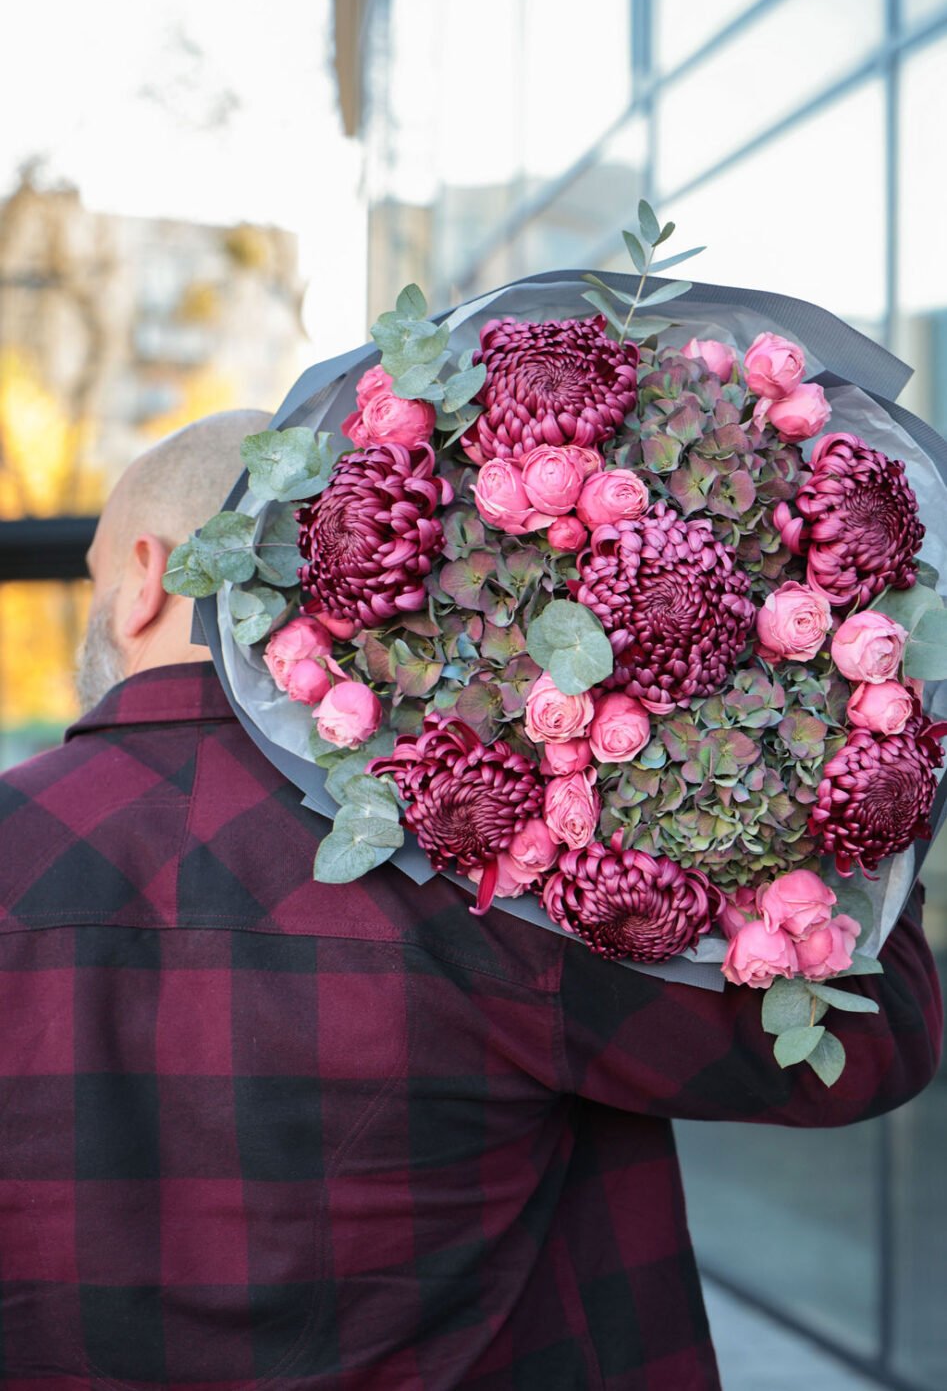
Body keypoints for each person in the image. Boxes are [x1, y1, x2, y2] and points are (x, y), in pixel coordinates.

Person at [0, 410, 941, 1391]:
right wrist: (848, 782)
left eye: (95, 579)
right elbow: (864, 1050)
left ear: (145, 577)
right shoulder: (483, 856)